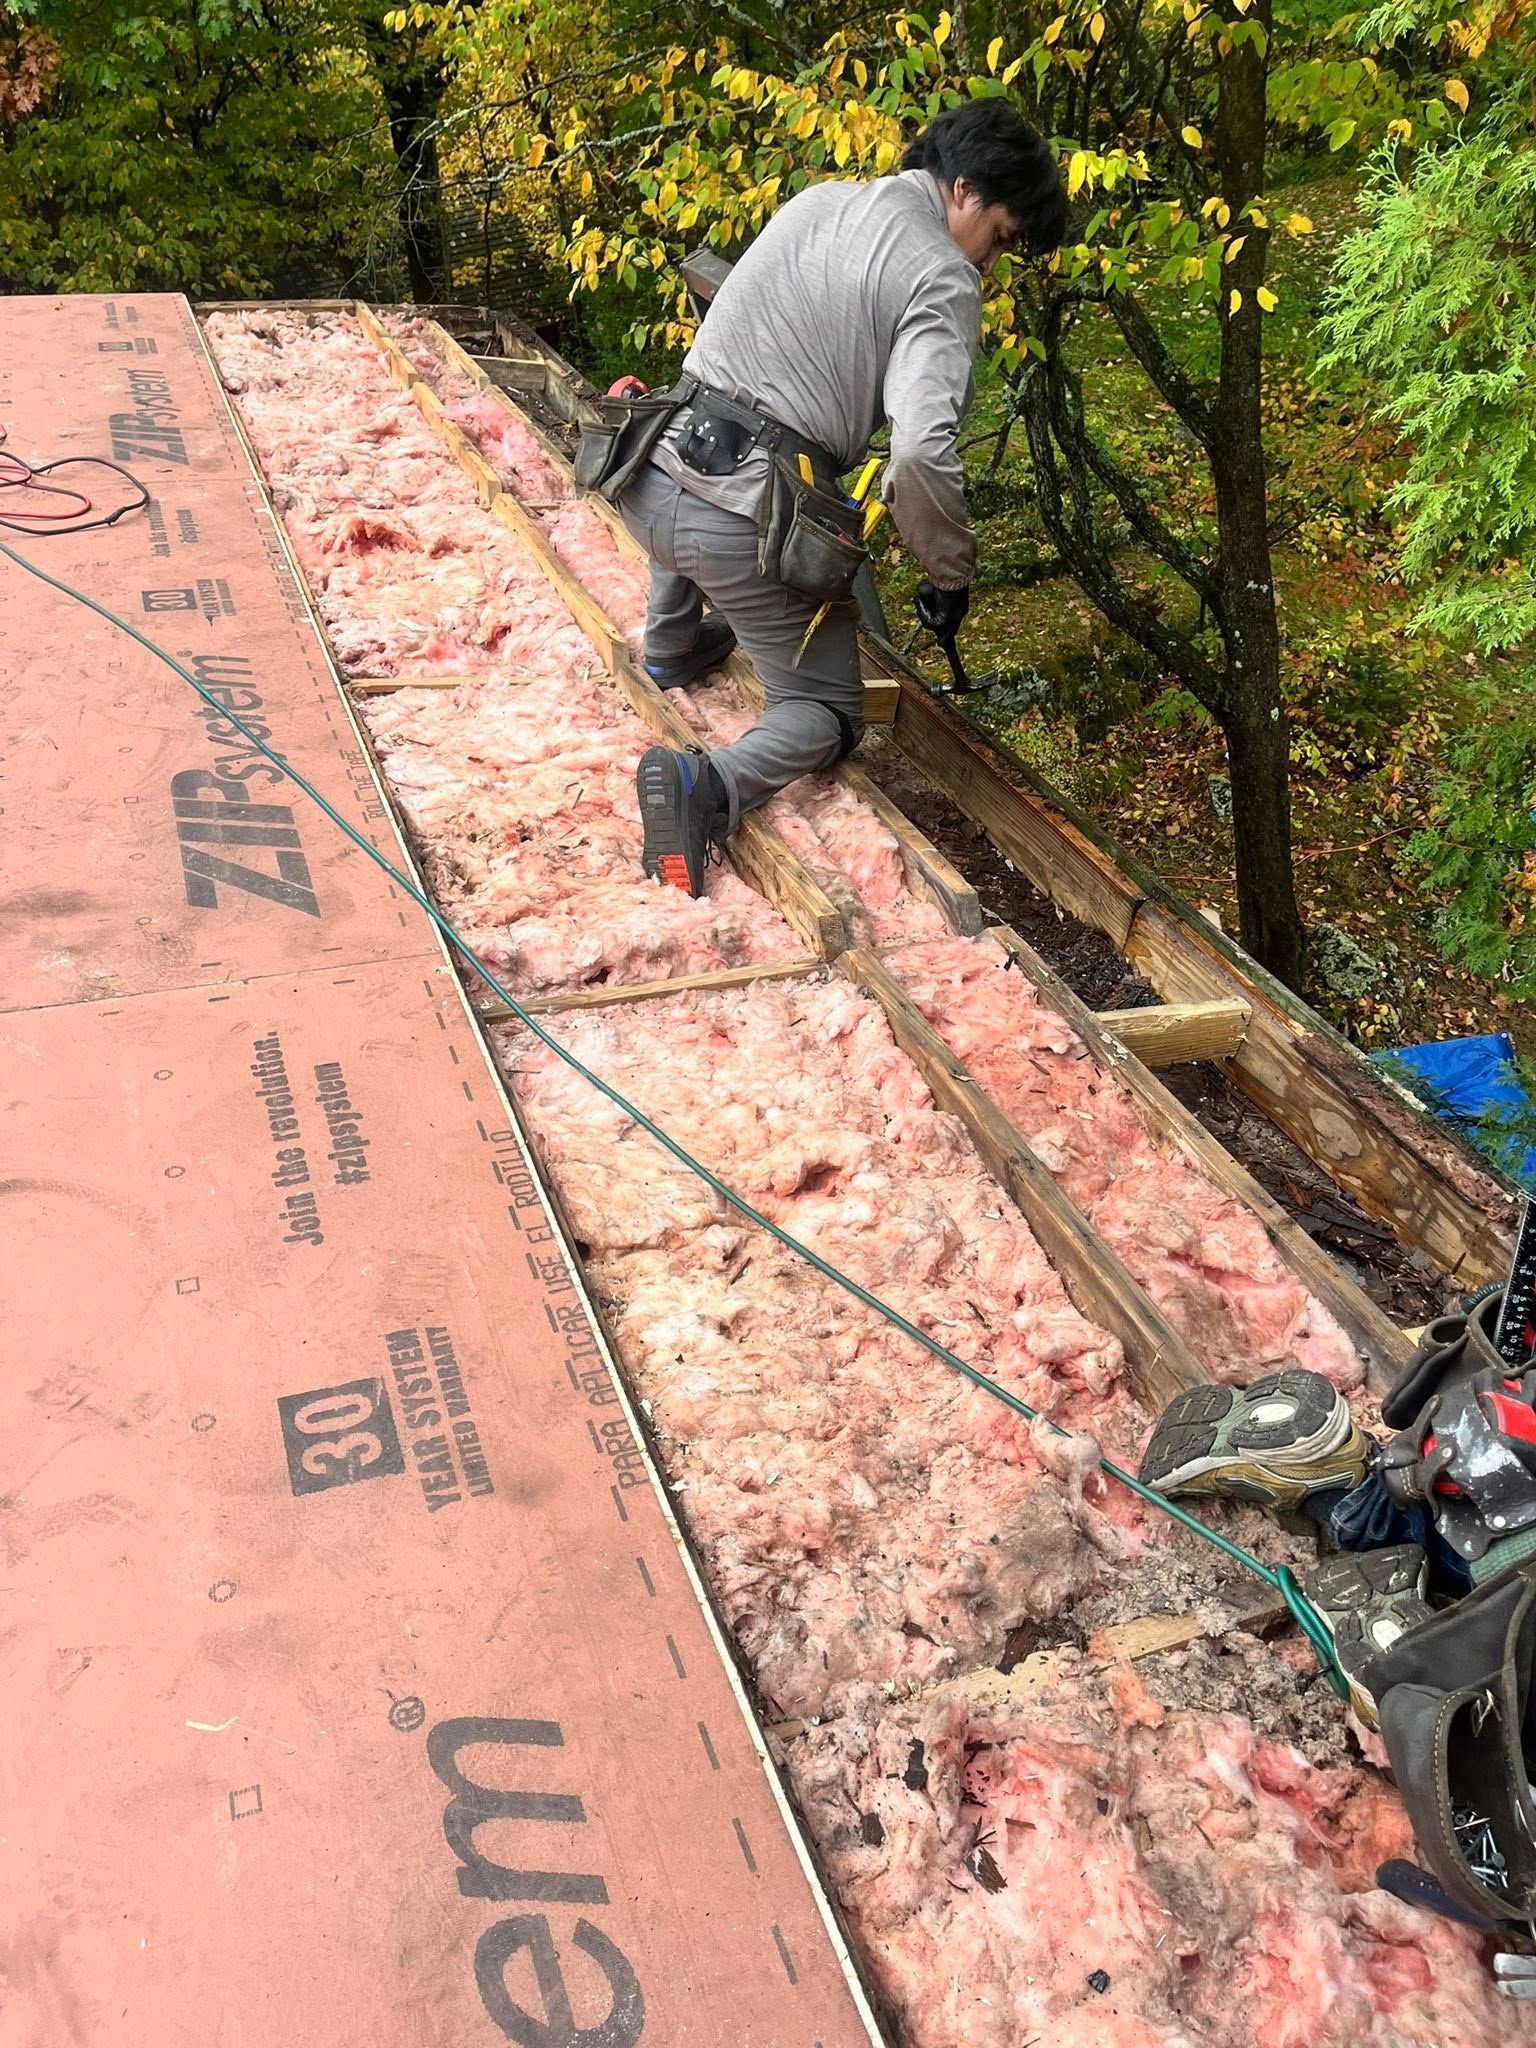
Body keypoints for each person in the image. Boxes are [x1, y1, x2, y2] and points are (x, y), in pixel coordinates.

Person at [613, 99, 1067, 894]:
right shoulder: (941, 276)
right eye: (1000, 238)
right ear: (964, 190)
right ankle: (705, 787)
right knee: (828, 710)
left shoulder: (820, 200)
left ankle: (671, 644)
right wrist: (949, 574)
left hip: (649, 469)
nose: (992, 265)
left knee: (709, 482)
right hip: (739, 523)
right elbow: (922, 452)